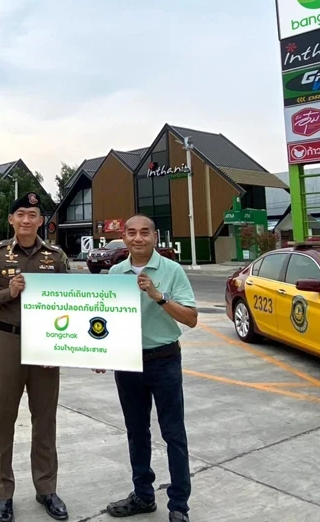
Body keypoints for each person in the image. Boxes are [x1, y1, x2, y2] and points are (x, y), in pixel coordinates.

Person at [0, 191, 71, 522]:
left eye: (33, 215)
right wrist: (7, 292)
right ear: (12, 220)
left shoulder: (56, 256)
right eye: (21, 214)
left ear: (41, 221)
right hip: (7, 341)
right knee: (3, 419)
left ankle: (46, 489)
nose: (27, 219)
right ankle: (3, 493)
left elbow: (71, 301)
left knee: (45, 419)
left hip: (46, 344)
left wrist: (62, 345)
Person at [98, 214, 198, 522]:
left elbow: (191, 318)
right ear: (124, 238)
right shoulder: (115, 272)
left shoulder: (172, 271)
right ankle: (143, 496)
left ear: (155, 237)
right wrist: (100, 353)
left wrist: (158, 296)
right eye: (131, 233)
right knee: (136, 431)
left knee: (173, 434)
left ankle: (179, 505)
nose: (138, 238)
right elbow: (105, 319)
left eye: (144, 232)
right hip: (127, 362)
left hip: (164, 359)